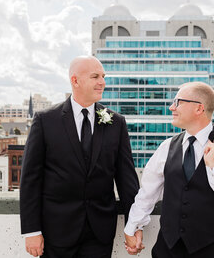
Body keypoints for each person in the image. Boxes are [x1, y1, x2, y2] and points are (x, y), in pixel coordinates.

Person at [124, 82, 214, 258]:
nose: (171, 107)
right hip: (167, 251)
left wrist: (213, 167)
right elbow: (148, 193)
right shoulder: (167, 147)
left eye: (178, 102)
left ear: (199, 108)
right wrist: (133, 227)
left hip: (213, 252)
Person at [20, 56, 139, 258]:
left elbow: (126, 179)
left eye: (103, 76)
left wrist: (134, 225)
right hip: (56, 231)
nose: (102, 82)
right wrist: (32, 230)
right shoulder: (45, 120)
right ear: (75, 81)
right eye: (95, 76)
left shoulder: (116, 122)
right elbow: (31, 179)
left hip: (99, 233)